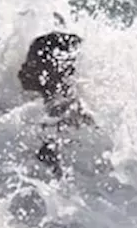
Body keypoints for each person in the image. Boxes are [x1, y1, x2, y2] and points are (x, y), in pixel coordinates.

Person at [17, 31, 92, 178]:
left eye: (33, 63)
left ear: (54, 70)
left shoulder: (67, 111)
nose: (23, 69)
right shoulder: (48, 108)